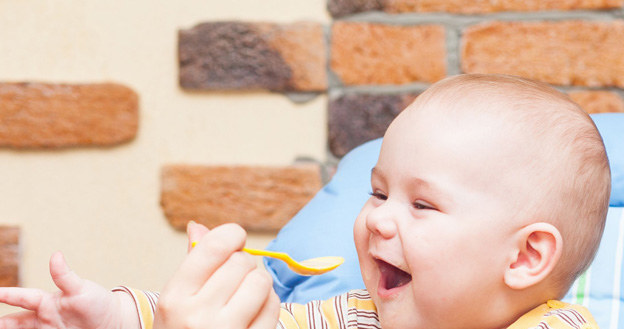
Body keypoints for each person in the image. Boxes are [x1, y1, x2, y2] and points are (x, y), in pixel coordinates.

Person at [0, 74, 610, 329]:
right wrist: (120, 316)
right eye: (377, 192)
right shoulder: (354, 315)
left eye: (422, 206)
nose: (377, 218)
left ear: (528, 256)